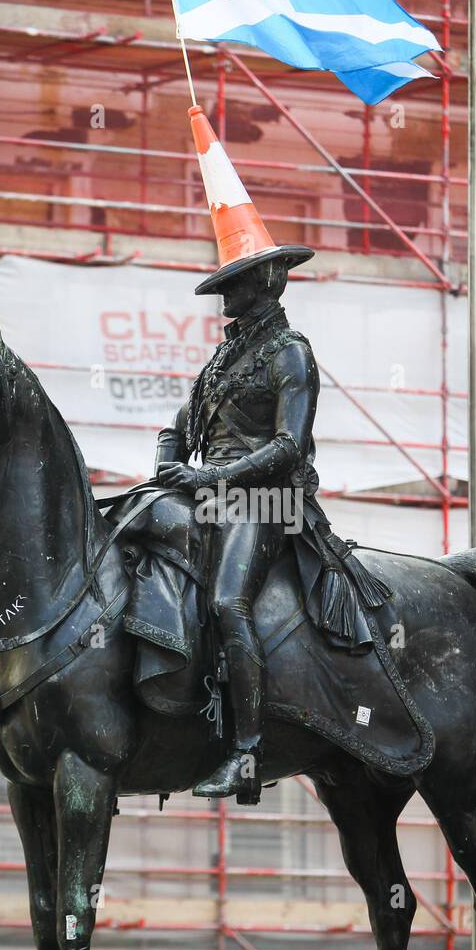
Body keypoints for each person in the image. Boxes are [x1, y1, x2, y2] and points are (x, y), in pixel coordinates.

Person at [155, 247, 318, 802]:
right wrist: (166, 468)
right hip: (213, 494)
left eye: (236, 282)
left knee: (229, 601)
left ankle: (248, 751)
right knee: (135, 534)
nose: (225, 294)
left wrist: (212, 481)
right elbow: (175, 426)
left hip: (268, 501)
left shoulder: (291, 354)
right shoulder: (224, 357)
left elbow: (289, 445)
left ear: (269, 281)